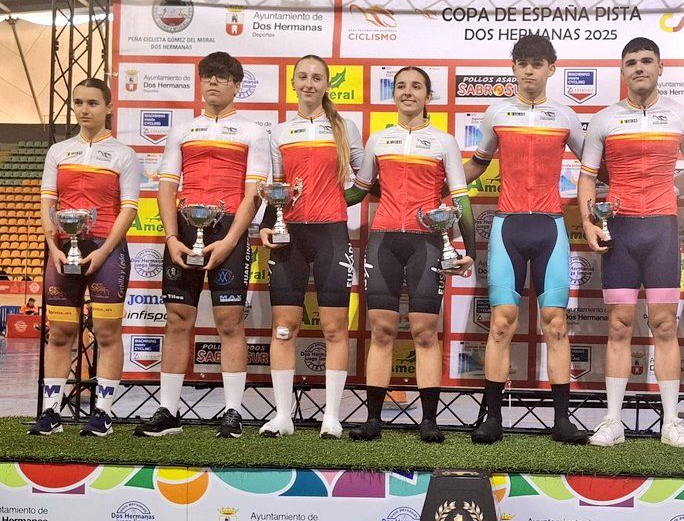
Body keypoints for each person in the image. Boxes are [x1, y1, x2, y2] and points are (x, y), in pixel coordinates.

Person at [578, 37, 684, 447]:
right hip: (621, 230)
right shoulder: (604, 119)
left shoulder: (681, 116)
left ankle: (672, 422)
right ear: (622, 71)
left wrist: (672, 190)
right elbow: (586, 178)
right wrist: (589, 224)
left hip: (662, 231)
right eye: (631, 62)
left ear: (660, 67)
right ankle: (613, 421)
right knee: (619, 325)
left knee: (665, 324)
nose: (639, 68)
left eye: (646, 61)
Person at [134, 52, 270, 438]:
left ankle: (232, 412)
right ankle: (169, 410)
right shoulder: (182, 130)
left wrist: (230, 240)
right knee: (177, 319)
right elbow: (166, 187)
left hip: (228, 229)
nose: (212, 82)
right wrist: (171, 237)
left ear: (237, 85)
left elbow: (254, 193)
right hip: (184, 227)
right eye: (207, 76)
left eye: (222, 77)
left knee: (230, 321)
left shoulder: (253, 132)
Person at [463, 34, 588, 444]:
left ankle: (562, 421)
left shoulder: (566, 116)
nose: (529, 70)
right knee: (501, 323)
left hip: (551, 226)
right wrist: (436, 185)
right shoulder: (496, 113)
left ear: (552, 68)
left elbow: (593, 167)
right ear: (513, 68)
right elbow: (476, 164)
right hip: (508, 227)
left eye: (537, 63)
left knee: (556, 324)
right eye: (523, 63)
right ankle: (492, 419)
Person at [346, 66, 475, 443]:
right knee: (382, 330)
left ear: (427, 96)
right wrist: (309, 204)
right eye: (401, 86)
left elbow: (460, 198)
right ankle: (373, 420)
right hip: (383, 240)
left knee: (424, 332)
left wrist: (469, 249)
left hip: (427, 243)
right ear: (393, 94)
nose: (407, 92)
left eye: (416, 86)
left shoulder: (444, 142)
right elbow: (360, 190)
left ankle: (429, 421)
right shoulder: (378, 140)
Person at [258, 55, 363, 439]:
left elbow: (365, 179)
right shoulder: (280, 133)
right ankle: (282, 416)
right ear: (293, 83)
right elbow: (277, 188)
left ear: (327, 85)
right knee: (284, 328)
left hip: (332, 234)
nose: (309, 83)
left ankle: (331, 417)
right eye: (302, 77)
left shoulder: (345, 128)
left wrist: (336, 202)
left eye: (317, 78)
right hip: (290, 236)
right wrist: (266, 225)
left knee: (334, 329)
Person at [31, 78, 141, 436]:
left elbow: (129, 209)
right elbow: (48, 202)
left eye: (92, 103)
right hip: (63, 248)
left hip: (107, 249)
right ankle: (51, 412)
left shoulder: (123, 154)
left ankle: (103, 414)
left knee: (107, 332)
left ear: (109, 107)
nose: (84, 109)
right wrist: (53, 247)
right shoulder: (58, 151)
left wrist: (105, 250)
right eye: (78, 102)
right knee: (60, 331)